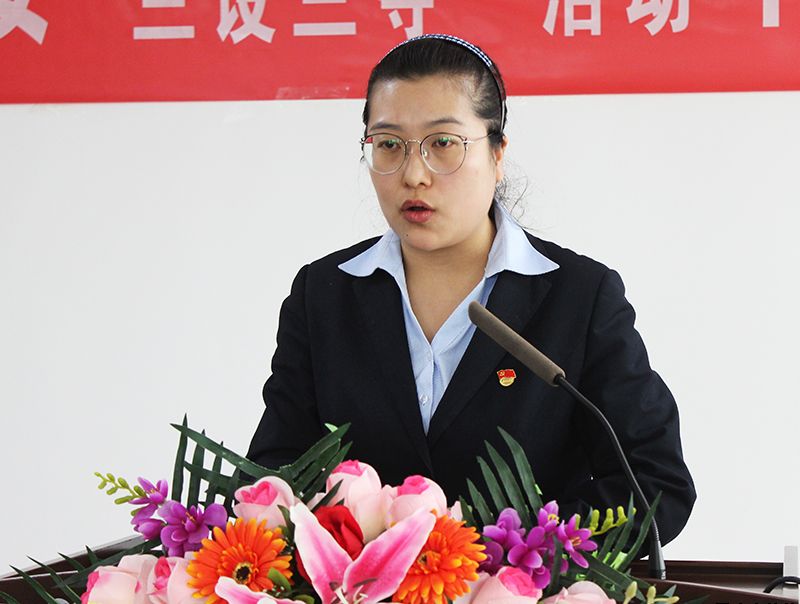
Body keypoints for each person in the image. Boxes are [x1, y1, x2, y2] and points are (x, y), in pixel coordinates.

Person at [247, 34, 695, 545]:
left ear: (497, 153)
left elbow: (655, 486)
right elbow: (274, 475)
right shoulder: (324, 295)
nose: (414, 174)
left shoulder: (578, 297)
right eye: (389, 144)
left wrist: (511, 551)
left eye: (443, 143)